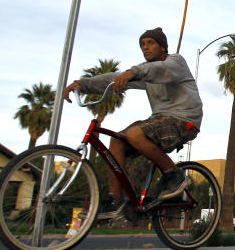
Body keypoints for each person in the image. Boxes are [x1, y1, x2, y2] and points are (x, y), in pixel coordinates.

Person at [63, 27, 202, 220]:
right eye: (142, 44)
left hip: (184, 119)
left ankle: (174, 175)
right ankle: (116, 201)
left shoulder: (176, 62)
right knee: (117, 140)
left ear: (163, 47)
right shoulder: (146, 73)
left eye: (150, 43)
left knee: (135, 133)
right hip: (159, 119)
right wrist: (82, 84)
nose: (145, 47)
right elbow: (113, 78)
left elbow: (159, 69)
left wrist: (132, 72)